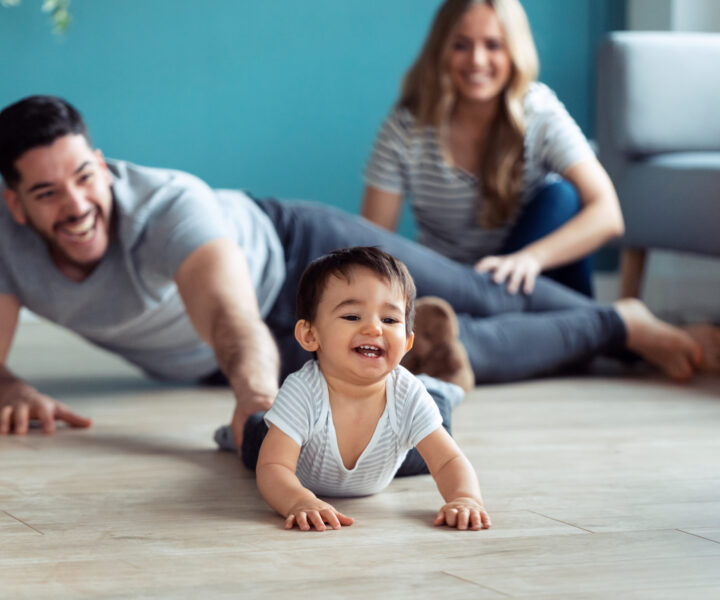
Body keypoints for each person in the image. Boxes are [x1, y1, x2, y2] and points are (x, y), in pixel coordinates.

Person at [0, 96, 717, 445]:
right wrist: (13, 383)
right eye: (47, 192)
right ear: (14, 205)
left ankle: (631, 328)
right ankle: (616, 322)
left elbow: (230, 319)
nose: (78, 204)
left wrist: (256, 402)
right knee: (445, 350)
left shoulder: (166, 206)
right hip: (235, 352)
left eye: (86, 176)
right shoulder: (6, 243)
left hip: (293, 255)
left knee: (480, 294)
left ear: (101, 163)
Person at [362, 0, 623, 297]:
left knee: (561, 196)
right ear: (441, 50)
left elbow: (609, 215)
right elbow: (373, 243)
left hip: (523, 276)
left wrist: (530, 258)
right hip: (450, 283)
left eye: (493, 45)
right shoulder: (407, 127)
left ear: (514, 51)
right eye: (461, 45)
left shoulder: (538, 112)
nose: (477, 60)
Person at [247, 247, 491, 531]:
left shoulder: (406, 393)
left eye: (389, 320)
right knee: (254, 438)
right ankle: (243, 425)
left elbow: (449, 460)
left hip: (385, 460)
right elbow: (273, 468)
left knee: (435, 434)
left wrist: (465, 498)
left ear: (407, 343)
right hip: (295, 448)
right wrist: (299, 500)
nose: (375, 329)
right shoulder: (303, 391)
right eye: (352, 316)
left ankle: (444, 385)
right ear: (311, 335)